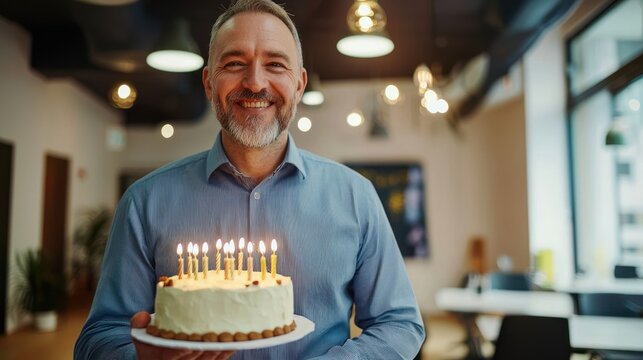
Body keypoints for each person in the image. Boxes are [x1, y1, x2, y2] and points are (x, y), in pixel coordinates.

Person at [74, 0, 425, 358]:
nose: (255, 82)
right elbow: (98, 337)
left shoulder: (355, 197)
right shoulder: (144, 203)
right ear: (209, 84)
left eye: (275, 64)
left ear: (299, 84)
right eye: (235, 63)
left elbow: (399, 324)